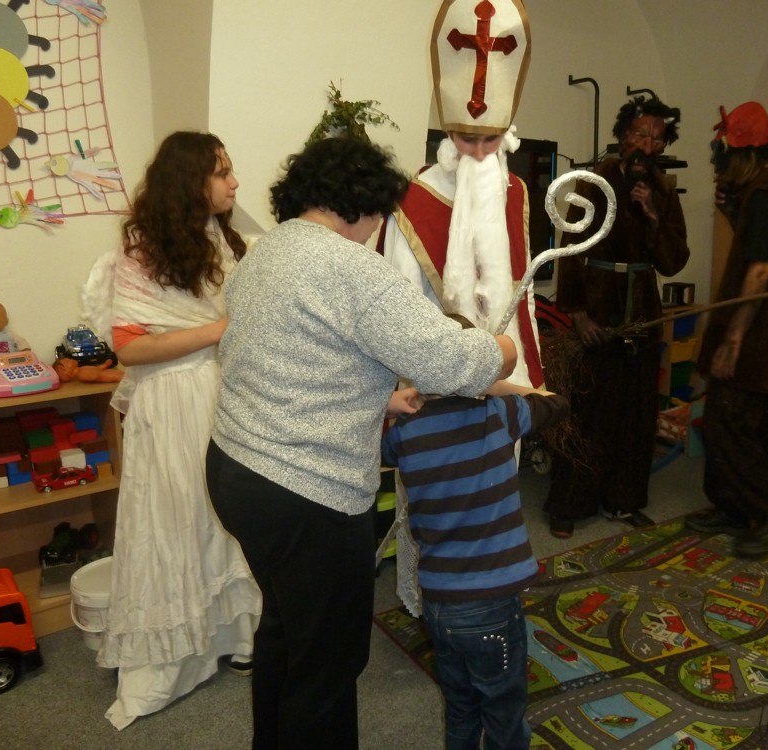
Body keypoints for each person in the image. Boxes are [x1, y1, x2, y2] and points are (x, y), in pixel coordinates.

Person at [204, 135, 518, 749]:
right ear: (362, 203)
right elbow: (452, 363)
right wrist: (504, 348)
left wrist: (375, 399)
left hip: (236, 470)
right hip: (304, 494)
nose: (378, 228)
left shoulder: (267, 252)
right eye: (379, 215)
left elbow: (284, 355)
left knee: (287, 631)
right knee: (327, 661)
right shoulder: (352, 268)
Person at [86, 131, 261, 729]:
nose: (234, 182)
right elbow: (130, 349)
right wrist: (219, 331)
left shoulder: (225, 240)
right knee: (178, 517)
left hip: (222, 394)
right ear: (190, 181)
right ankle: (175, 659)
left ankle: (235, 636)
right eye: (222, 172)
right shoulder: (140, 253)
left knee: (223, 519)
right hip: (173, 399)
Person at [380, 0, 539, 615]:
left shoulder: (515, 191)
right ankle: (428, 603)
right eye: (465, 138)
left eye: (488, 139)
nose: (476, 152)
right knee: (437, 501)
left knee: (494, 494)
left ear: (507, 133)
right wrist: (427, 378)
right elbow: (397, 303)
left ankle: (491, 590)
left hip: (498, 383)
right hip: (434, 391)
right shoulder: (413, 200)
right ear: (447, 133)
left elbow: (521, 290)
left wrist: (521, 375)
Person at [381, 373, 569, 750]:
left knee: (461, 707)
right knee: (503, 712)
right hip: (491, 602)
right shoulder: (498, 413)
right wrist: (494, 384)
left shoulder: (404, 432)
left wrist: (393, 406)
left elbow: (375, 451)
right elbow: (558, 402)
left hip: (438, 601)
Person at [544, 94, 691, 539]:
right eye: (640, 134)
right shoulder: (593, 183)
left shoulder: (663, 191)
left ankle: (623, 501)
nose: (647, 144)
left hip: (643, 314)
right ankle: (569, 504)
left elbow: (673, 261)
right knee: (587, 413)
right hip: (598, 311)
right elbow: (570, 251)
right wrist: (579, 315)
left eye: (656, 138)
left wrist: (652, 215)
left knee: (636, 415)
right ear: (624, 135)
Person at [686, 102, 768, 556]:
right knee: (730, 425)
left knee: (732, 427)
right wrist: (735, 216)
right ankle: (734, 509)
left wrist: (732, 341)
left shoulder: (765, 195)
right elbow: (761, 246)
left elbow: (760, 270)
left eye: (725, 162)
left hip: (760, 339)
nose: (720, 172)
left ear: (741, 156)